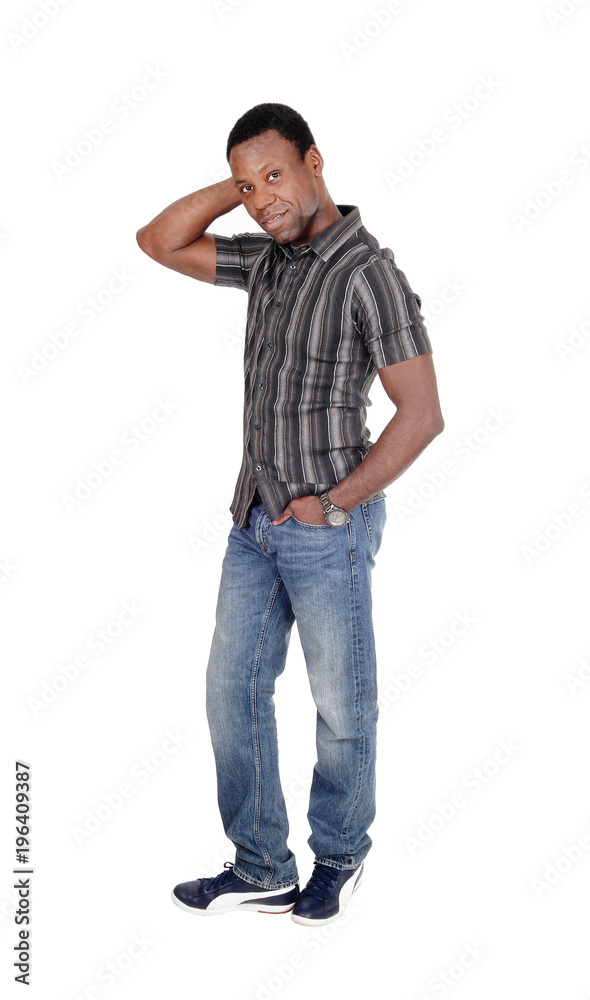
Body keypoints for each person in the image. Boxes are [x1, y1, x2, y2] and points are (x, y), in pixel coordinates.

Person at [136, 102, 444, 926]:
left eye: (276, 174)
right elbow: (157, 241)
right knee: (229, 692)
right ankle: (262, 865)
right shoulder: (266, 258)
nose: (262, 197)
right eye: (248, 185)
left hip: (326, 527)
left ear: (315, 161)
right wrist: (243, 193)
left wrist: (333, 504)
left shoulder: (368, 273)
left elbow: (421, 415)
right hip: (253, 522)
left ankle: (339, 855)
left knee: (342, 704)